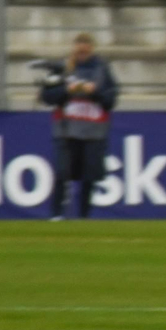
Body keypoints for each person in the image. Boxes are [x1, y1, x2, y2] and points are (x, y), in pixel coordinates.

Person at [40, 32, 118, 221]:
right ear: (74, 47)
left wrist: (95, 92)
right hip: (66, 129)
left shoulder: (102, 70)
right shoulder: (63, 69)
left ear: (91, 48)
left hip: (94, 132)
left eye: (86, 45)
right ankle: (57, 214)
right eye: (79, 45)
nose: (82, 49)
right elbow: (47, 96)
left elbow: (111, 99)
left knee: (89, 177)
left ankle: (84, 216)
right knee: (62, 172)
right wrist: (66, 90)